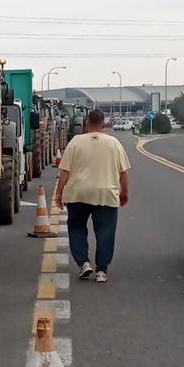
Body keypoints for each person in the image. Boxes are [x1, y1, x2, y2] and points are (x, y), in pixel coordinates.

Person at [54, 109, 130, 283]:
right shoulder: (114, 143)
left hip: (78, 193)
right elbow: (124, 172)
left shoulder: (75, 142)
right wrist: (124, 193)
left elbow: (65, 171)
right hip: (105, 194)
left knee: (76, 228)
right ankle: (102, 271)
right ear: (103, 124)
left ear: (87, 124)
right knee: (105, 232)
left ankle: (84, 263)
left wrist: (59, 193)